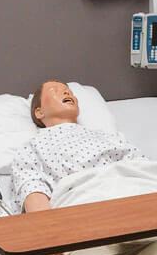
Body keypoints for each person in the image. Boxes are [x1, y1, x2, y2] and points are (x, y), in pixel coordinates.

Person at [10, 81, 145, 213]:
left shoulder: (109, 137)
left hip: (131, 195)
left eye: (69, 92)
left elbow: (142, 167)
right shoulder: (32, 148)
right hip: (81, 204)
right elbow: (33, 190)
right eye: (54, 90)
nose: (66, 92)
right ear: (39, 112)